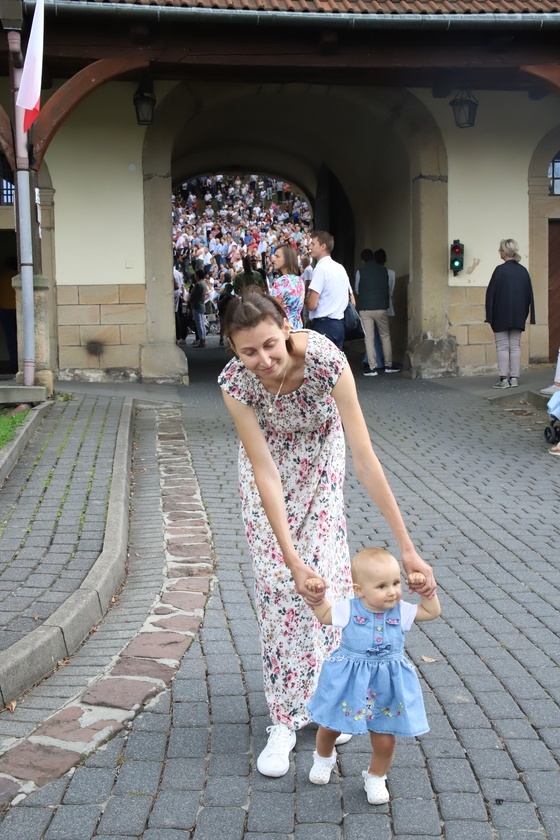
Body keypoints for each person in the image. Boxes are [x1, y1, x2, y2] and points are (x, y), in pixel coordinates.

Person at [218, 289, 435, 779]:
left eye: (270, 344)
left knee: (324, 584)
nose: (264, 359)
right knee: (279, 587)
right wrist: (289, 558)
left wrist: (406, 546)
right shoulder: (235, 383)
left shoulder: (324, 361)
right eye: (249, 351)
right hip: (268, 473)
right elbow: (264, 470)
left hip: (320, 460)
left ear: (287, 327)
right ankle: (282, 718)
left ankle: (329, 702)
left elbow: (364, 457)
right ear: (233, 349)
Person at [304, 548, 440, 804]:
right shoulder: (348, 610)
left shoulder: (401, 611)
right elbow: (323, 616)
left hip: (386, 685)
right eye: (382, 586)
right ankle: (323, 758)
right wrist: (318, 596)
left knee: (385, 737)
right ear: (359, 589)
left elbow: (431, 612)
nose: (392, 591)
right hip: (348, 681)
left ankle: (376, 776)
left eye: (396, 583)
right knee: (330, 726)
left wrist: (426, 592)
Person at [485, 239, 536, 389]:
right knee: (515, 346)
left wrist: (490, 315)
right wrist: (526, 314)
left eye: (500, 250)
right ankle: (514, 378)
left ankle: (503, 379)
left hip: (500, 314)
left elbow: (491, 294)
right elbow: (529, 295)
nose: (499, 252)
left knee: (502, 346)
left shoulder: (499, 270)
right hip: (518, 314)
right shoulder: (523, 271)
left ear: (504, 252)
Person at [305, 230, 354, 350]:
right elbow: (353, 301)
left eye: (313, 244)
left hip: (323, 326)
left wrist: (303, 298)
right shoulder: (340, 268)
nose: (309, 246)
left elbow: (312, 305)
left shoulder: (320, 269)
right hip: (339, 325)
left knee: (322, 367)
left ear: (323, 246)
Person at [355, 249, 399, 376]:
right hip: (381, 308)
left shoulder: (360, 272)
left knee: (369, 338)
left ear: (363, 260)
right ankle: (389, 365)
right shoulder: (385, 271)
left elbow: (357, 289)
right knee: (385, 336)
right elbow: (388, 289)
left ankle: (372, 367)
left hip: (365, 309)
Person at [270, 243, 305, 329]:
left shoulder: (281, 281)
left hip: (284, 327)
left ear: (287, 259)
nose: (273, 259)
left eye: (277, 256)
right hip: (298, 327)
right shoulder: (299, 280)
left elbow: (272, 309)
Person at [188, 268, 208, 348]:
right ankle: (203, 339)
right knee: (202, 323)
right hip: (201, 304)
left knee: (198, 324)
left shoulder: (198, 284)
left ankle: (201, 341)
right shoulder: (203, 284)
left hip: (196, 305)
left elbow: (192, 295)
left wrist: (189, 301)